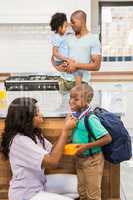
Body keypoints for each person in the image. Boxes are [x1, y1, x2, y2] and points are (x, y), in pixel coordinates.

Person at [1, 97, 77, 200]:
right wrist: (65, 131)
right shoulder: (19, 141)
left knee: (78, 183)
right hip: (26, 194)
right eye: (37, 114)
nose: (41, 115)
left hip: (40, 184)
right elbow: (52, 162)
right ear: (26, 119)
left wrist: (69, 131)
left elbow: (52, 151)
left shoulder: (33, 134)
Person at [69, 83, 112, 200]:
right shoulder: (77, 117)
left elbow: (107, 138)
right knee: (82, 192)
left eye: (76, 99)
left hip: (92, 160)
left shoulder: (90, 118)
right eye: (70, 97)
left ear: (87, 100)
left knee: (92, 194)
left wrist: (86, 147)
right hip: (80, 159)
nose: (71, 101)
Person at [52, 10, 101, 92]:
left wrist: (76, 65)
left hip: (82, 83)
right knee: (64, 105)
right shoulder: (67, 38)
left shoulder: (93, 39)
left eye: (73, 22)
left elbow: (96, 66)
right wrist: (59, 67)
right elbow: (54, 57)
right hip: (64, 82)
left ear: (81, 21)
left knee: (81, 105)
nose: (71, 25)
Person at [50, 12, 82, 85]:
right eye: (65, 26)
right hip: (60, 61)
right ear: (59, 27)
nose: (66, 28)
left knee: (75, 69)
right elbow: (55, 53)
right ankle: (78, 86)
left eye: (66, 25)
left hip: (63, 60)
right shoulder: (56, 37)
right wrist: (66, 59)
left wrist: (68, 24)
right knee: (76, 69)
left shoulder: (64, 35)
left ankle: (77, 85)